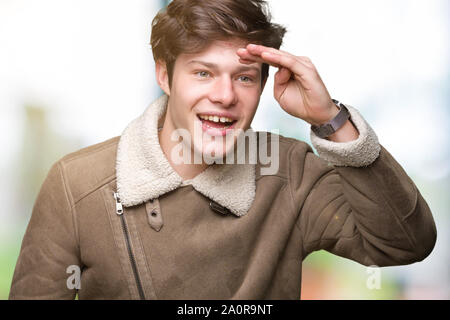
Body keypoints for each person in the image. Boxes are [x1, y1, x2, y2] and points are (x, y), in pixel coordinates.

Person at [9, 0, 436, 300]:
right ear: (165, 75)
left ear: (264, 86)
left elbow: (405, 243)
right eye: (203, 72)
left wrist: (329, 118)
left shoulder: (289, 172)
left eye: (245, 78)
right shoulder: (77, 183)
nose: (225, 95)